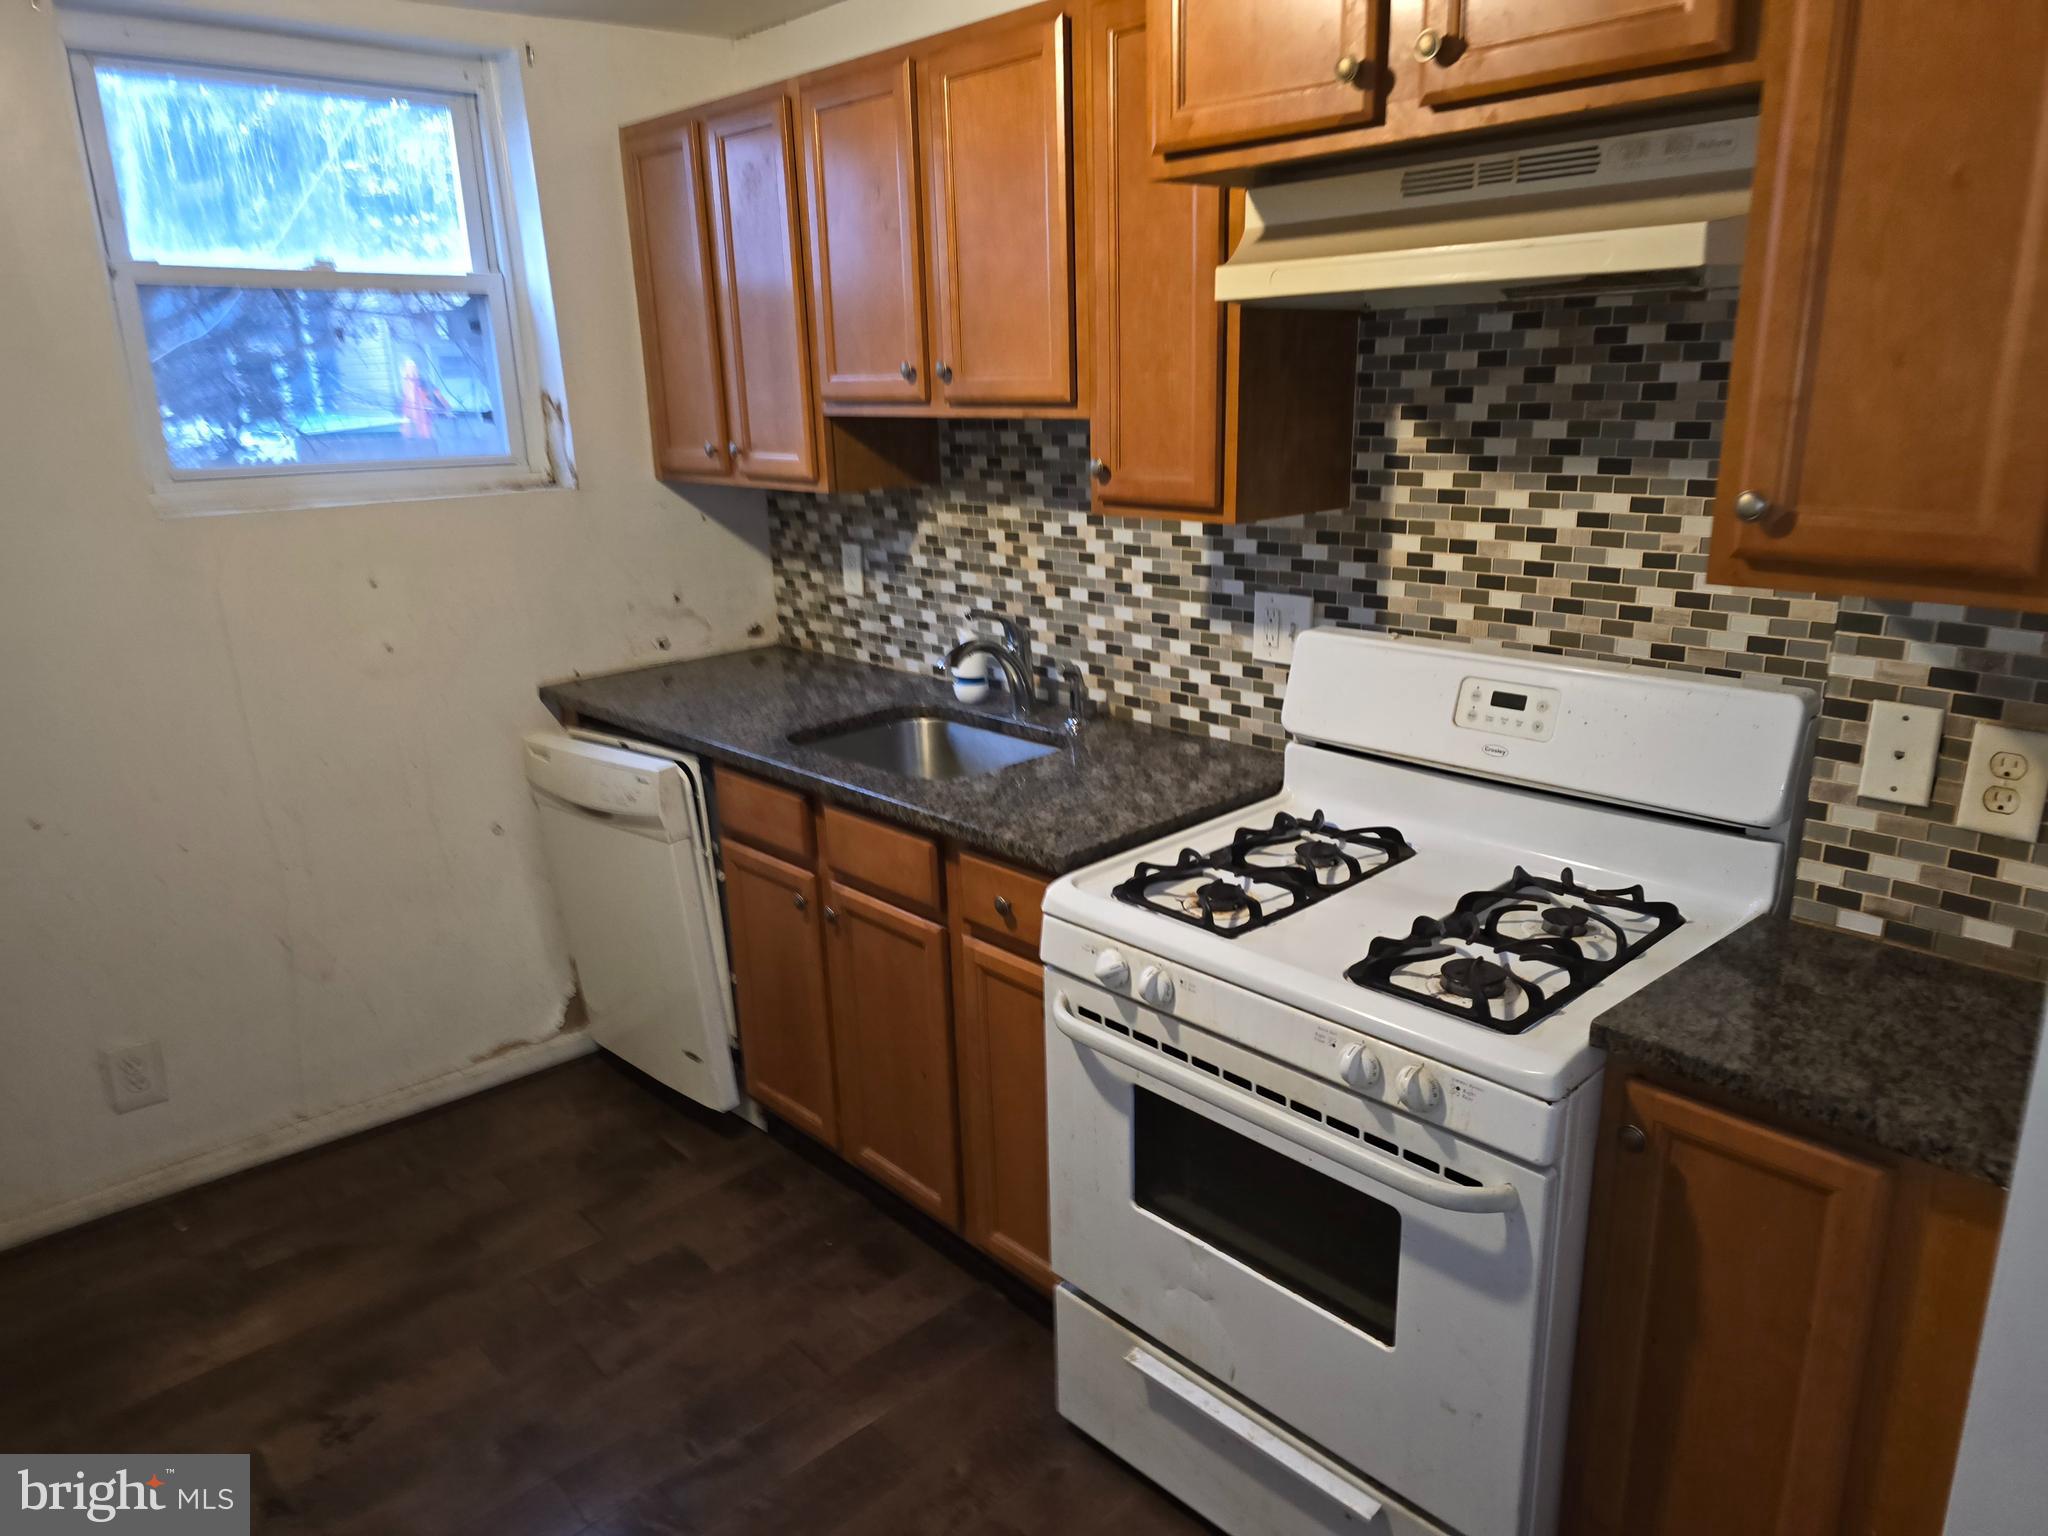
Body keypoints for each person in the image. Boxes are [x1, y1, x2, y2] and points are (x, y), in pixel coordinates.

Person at [399, 358, 449, 440]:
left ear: (417, 369)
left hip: (426, 423)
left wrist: (446, 410)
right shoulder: (404, 385)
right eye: (408, 368)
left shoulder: (424, 384)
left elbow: (438, 398)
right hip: (411, 426)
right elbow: (405, 405)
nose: (411, 370)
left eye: (413, 367)